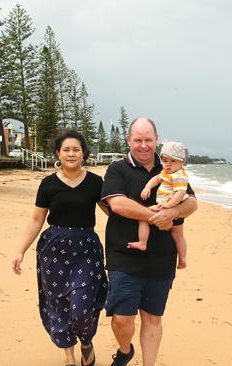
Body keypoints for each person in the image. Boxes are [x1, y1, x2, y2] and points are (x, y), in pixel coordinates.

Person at [100, 117, 198, 366]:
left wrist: (173, 212)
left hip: (162, 256)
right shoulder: (117, 169)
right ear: (128, 141)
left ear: (156, 139)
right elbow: (118, 204)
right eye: (138, 140)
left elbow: (191, 202)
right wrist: (157, 217)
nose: (143, 145)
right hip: (124, 253)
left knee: (152, 317)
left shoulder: (170, 167)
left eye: (148, 140)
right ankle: (124, 350)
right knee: (122, 318)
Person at [12, 130, 108, 366]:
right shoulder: (48, 184)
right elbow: (36, 220)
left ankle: (86, 341)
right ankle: (68, 356)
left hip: (87, 249)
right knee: (57, 303)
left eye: (76, 149)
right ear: (58, 153)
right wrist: (21, 250)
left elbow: (114, 212)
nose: (71, 153)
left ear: (84, 153)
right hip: (54, 250)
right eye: (66, 149)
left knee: (82, 305)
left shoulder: (96, 182)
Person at [127, 140, 189, 269]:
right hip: (167, 205)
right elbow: (156, 179)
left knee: (143, 217)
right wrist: (147, 188)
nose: (168, 165)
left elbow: (181, 193)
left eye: (173, 161)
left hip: (170, 205)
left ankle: (143, 242)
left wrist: (170, 205)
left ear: (182, 162)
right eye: (165, 161)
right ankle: (182, 259)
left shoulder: (179, 176)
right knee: (178, 235)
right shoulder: (166, 172)